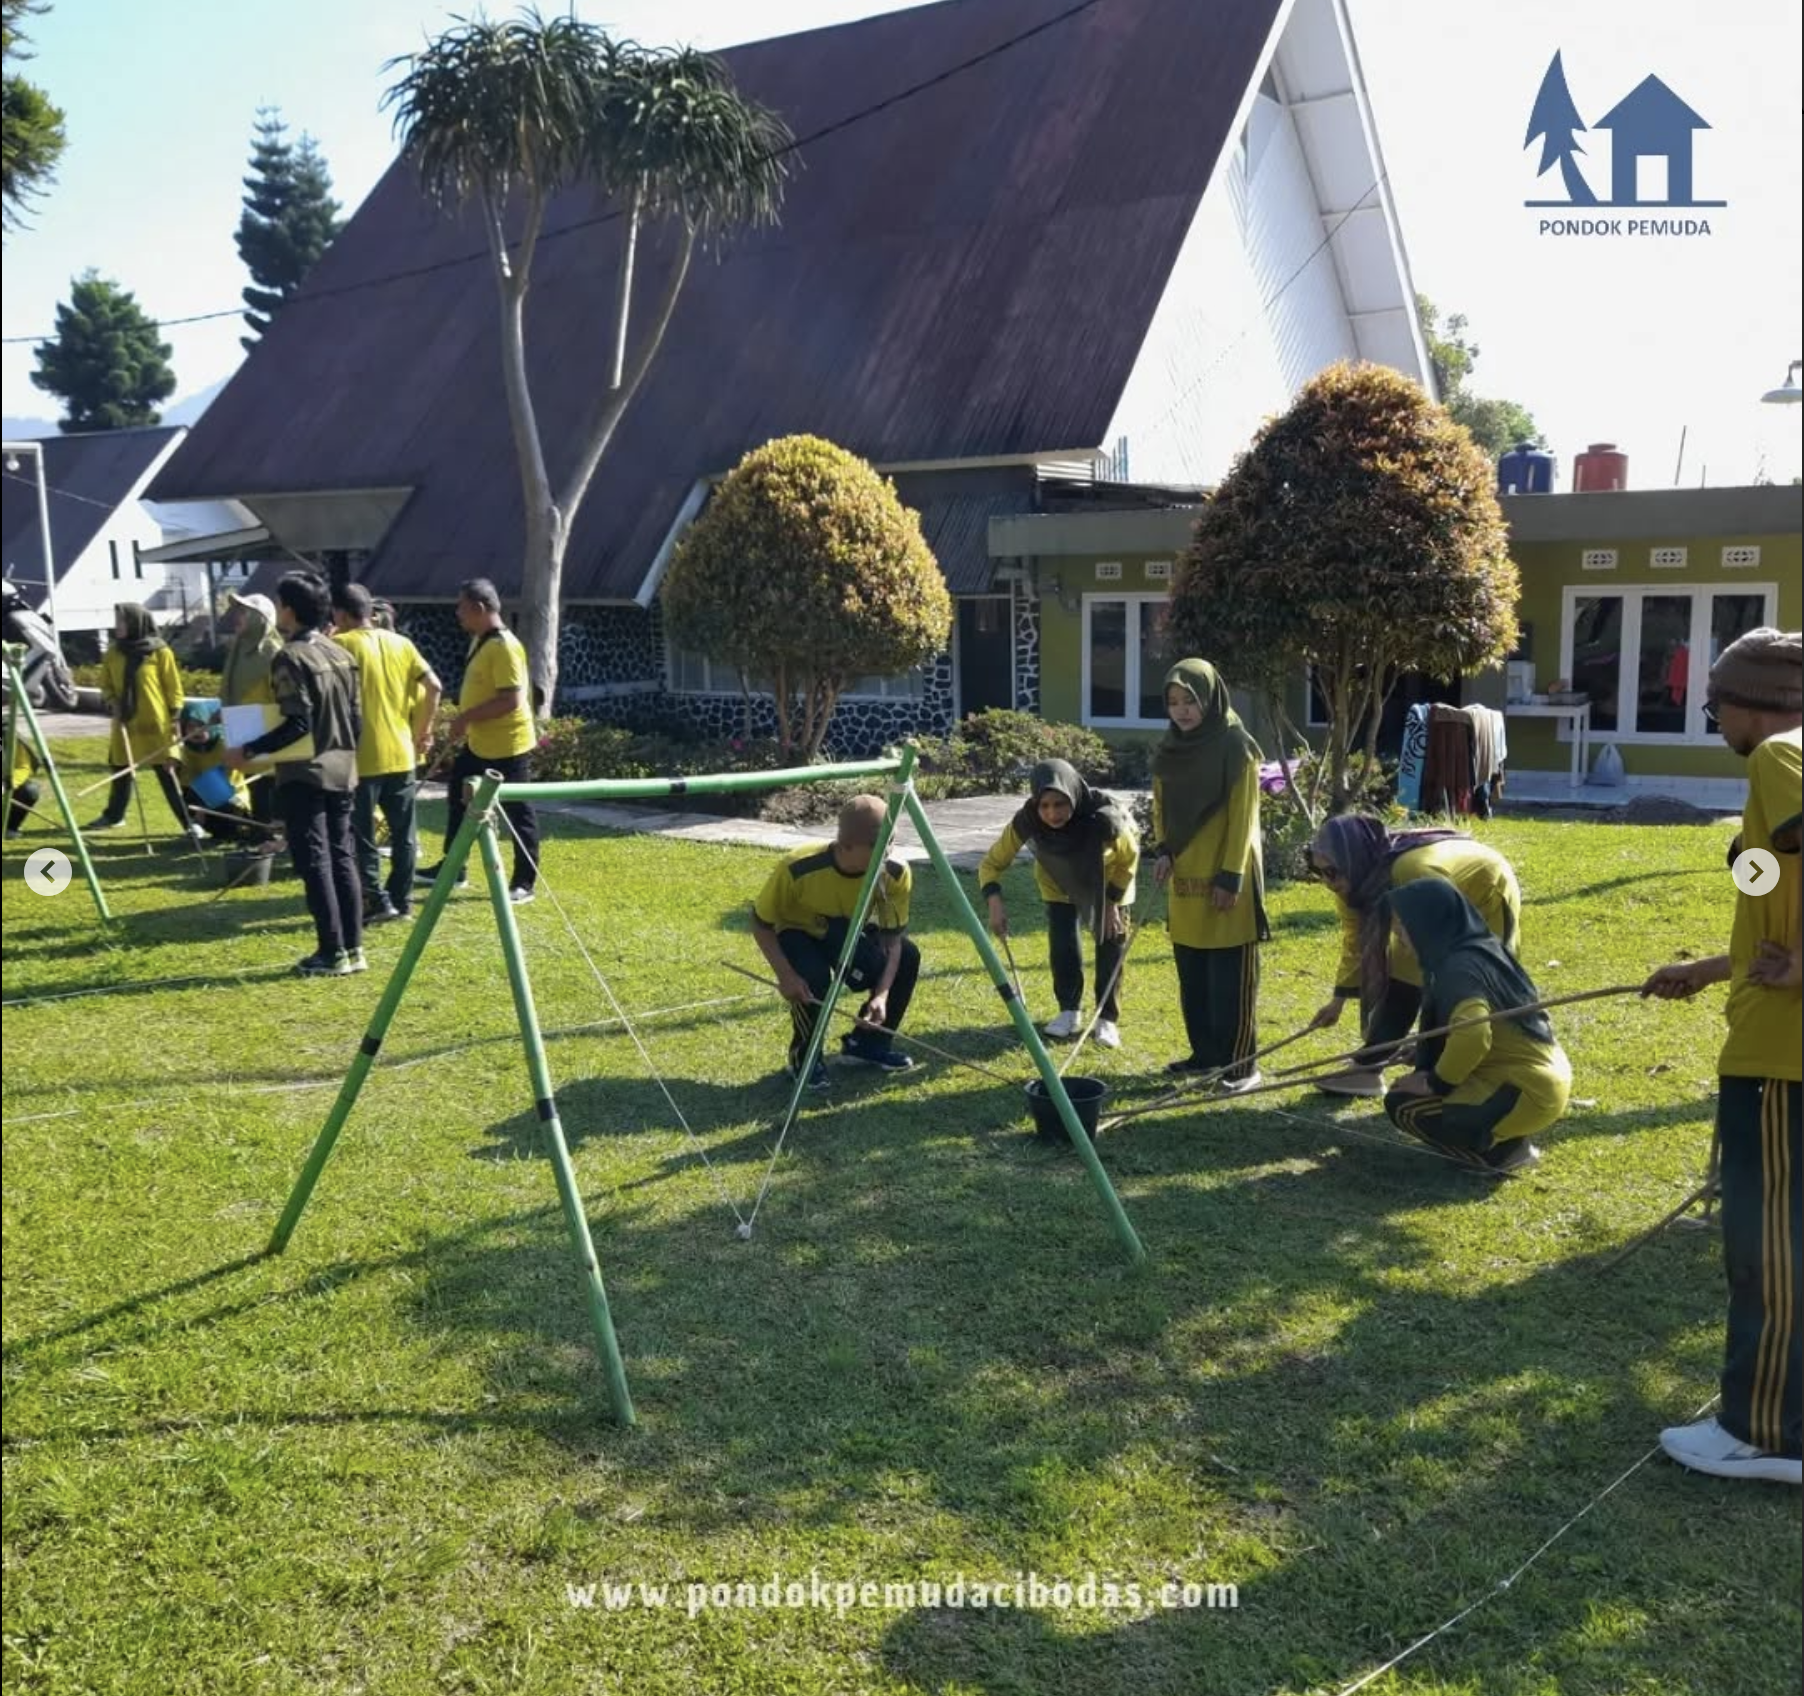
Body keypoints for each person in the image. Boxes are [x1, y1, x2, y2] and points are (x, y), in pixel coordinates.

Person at [1642, 626, 1801, 1486]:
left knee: (1768, 1244)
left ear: (1755, 704)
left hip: (1784, 1057)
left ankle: (1764, 1432)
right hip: (1771, 1035)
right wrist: (1709, 969)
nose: (1712, 720)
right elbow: (1775, 892)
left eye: (1715, 705)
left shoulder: (1778, 759)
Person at [1307, 815, 1521, 1097]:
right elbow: (1355, 942)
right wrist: (1337, 1001)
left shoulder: (1412, 871)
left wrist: (1428, 1048)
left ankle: (1442, 1074)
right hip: (1430, 902)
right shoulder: (1354, 885)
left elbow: (1439, 960)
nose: (1327, 881)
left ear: (1353, 859)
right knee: (1403, 973)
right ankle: (1368, 1069)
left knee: (1467, 979)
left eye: (1331, 871)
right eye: (1318, 871)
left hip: (1486, 891)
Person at [1381, 879, 1570, 1175]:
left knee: (1403, 1104)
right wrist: (1425, 1050)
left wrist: (1434, 1082)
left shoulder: (1458, 970)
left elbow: (1473, 1034)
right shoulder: (1481, 948)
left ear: (1431, 924)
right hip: (1538, 1079)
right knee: (1414, 1093)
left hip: (1525, 1090)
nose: (1401, 938)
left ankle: (1502, 1152)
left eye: (1404, 927)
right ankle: (1501, 1133)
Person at [226, 572, 364, 976]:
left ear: (288, 608)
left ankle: (330, 952)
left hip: (306, 773)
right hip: (344, 768)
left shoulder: (290, 657)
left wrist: (248, 750)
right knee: (343, 857)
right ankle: (353, 949)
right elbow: (356, 720)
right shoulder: (340, 653)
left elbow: (297, 723)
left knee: (314, 861)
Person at [1150, 660, 1269, 1087]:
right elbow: (1160, 808)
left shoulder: (1236, 745)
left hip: (1225, 881)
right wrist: (1162, 849)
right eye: (1174, 702)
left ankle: (1241, 1066)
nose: (1182, 711)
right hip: (1184, 881)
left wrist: (1230, 875)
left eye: (1191, 701)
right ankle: (1204, 1056)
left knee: (1229, 980)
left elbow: (1244, 818)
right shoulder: (1170, 749)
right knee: (1194, 975)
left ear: (1211, 698)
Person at [752, 795, 920, 1088]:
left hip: (845, 930)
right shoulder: (798, 867)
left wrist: (881, 995)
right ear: (846, 845)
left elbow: (892, 940)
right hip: (797, 932)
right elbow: (761, 924)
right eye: (877, 847)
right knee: (812, 980)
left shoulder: (895, 873)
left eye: (890, 842)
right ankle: (804, 1059)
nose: (887, 853)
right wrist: (786, 976)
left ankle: (867, 1044)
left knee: (907, 955)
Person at [979, 759, 1137, 1050]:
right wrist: (994, 902)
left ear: (1073, 797)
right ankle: (1069, 1010)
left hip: (1109, 881)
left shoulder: (1105, 819)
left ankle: (1107, 1018)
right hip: (1058, 884)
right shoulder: (1026, 820)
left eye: (1060, 804)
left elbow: (1130, 857)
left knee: (1110, 943)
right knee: (1063, 944)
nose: (1052, 813)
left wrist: (1112, 902)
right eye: (1044, 805)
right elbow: (991, 864)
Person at [417, 578, 538, 905]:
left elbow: (511, 700)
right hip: (480, 743)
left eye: (462, 607)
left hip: (509, 745)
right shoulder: (479, 640)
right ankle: (454, 867)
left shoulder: (504, 646)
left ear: (480, 609)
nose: (458, 614)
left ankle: (525, 882)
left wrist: (466, 717)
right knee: (458, 798)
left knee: (517, 813)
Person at [332, 582, 441, 922]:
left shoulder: (338, 645)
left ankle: (376, 902)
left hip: (361, 757)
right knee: (404, 834)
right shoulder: (402, 643)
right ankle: (402, 899)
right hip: (402, 752)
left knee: (362, 835)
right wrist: (423, 731)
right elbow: (434, 686)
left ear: (341, 613)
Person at [89, 602, 197, 843]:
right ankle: (114, 815)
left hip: (156, 724)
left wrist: (175, 716)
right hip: (125, 723)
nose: (117, 626)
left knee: (168, 773)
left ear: (136, 622)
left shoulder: (160, 652)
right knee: (120, 770)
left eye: (122, 621)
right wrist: (111, 701)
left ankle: (189, 823)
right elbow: (105, 684)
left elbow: (173, 688)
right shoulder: (113, 653)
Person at [220, 591, 283, 836]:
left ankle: (273, 835)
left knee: (269, 784)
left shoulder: (274, 652)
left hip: (267, 730)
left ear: (260, 618)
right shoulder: (238, 649)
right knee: (254, 784)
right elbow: (230, 687)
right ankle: (259, 832)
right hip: (242, 728)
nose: (237, 616)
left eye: (244, 611)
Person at [175, 701, 252, 841]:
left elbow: (223, 782)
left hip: (232, 796)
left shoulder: (224, 745)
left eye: (200, 725)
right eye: (190, 727)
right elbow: (188, 780)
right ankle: (202, 828)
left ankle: (239, 826)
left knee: (223, 807)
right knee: (185, 796)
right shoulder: (188, 749)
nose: (195, 731)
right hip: (204, 796)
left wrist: (202, 811)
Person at [7, 736, 40, 838]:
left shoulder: (10, 736)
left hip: (6, 783)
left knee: (29, 791)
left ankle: (10, 827)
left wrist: (7, 783)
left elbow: (23, 767)